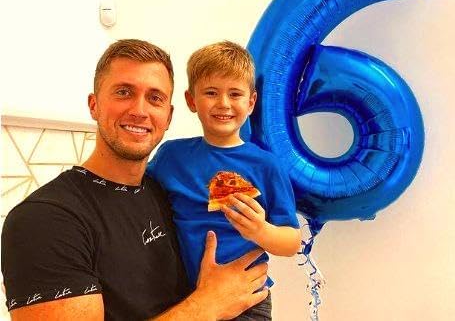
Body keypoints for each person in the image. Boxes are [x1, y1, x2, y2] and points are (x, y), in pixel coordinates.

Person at [1, 39, 269, 321]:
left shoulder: (169, 194)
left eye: (155, 98)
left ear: (168, 116)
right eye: (124, 92)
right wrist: (206, 306)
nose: (140, 110)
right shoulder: (43, 219)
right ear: (94, 105)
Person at [146, 41, 301, 320]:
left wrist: (260, 231)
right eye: (211, 92)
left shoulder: (266, 166)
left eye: (235, 94)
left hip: (248, 300)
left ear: (251, 102)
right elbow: (136, 197)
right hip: (184, 298)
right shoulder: (171, 156)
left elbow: (291, 241)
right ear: (191, 100)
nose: (224, 103)